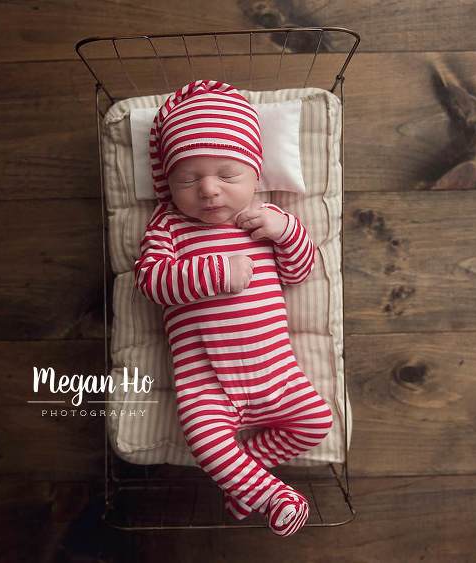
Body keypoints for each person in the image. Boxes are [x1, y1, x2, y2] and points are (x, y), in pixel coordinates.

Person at [133, 80, 333, 537]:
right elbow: (151, 282)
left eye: (226, 175)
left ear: (255, 174)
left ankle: (242, 480)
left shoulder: (264, 219)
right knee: (205, 441)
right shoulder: (168, 227)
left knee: (316, 421)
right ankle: (270, 494)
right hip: (207, 381)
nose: (208, 191)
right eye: (188, 178)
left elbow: (300, 271)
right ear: (169, 181)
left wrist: (285, 232)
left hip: (275, 371)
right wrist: (217, 272)